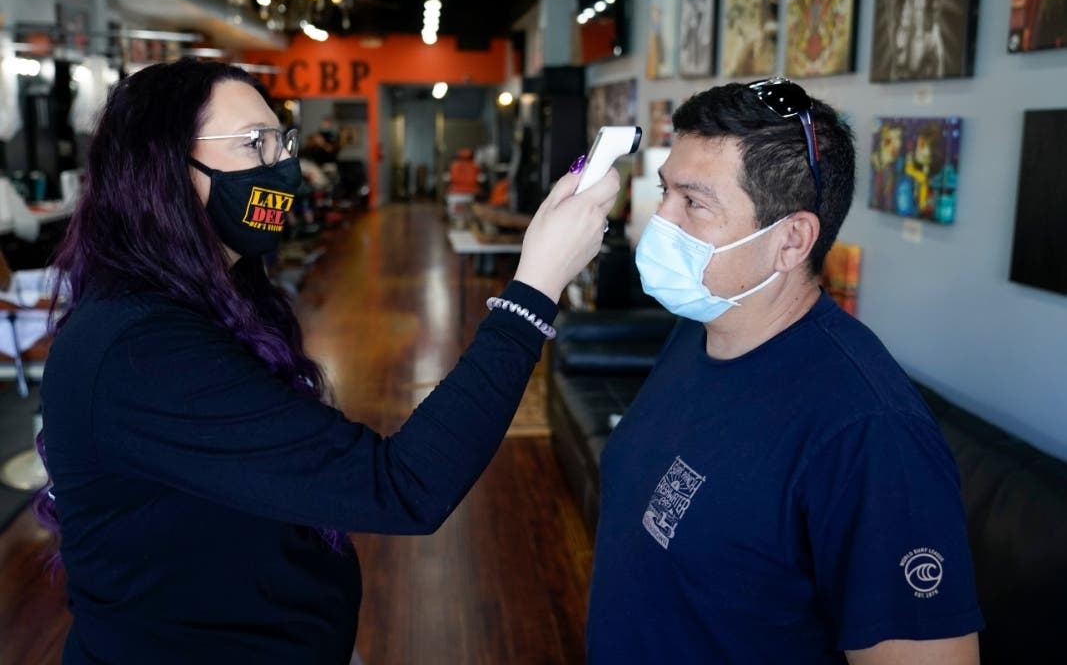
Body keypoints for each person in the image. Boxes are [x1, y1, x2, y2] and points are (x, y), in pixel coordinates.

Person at [33, 58, 619, 664]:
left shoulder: (213, 299)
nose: (281, 166)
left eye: (279, 139)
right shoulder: (140, 353)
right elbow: (402, 486)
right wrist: (534, 288)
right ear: (162, 168)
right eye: (252, 144)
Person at [586, 79, 983, 663]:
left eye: (693, 203)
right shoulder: (696, 332)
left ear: (791, 240)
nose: (659, 223)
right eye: (666, 192)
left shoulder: (870, 434)